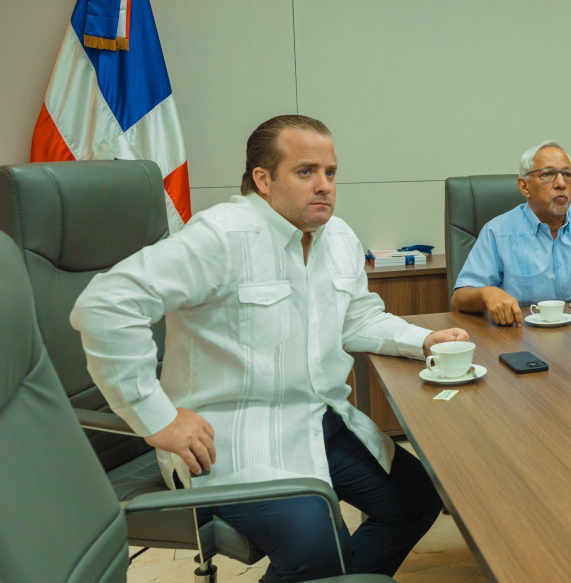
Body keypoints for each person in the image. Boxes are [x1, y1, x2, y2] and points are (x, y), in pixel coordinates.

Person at [72, 115, 465, 581]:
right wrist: (157, 417)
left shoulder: (338, 237)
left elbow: (358, 318)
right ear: (263, 179)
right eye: (306, 172)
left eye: (330, 173)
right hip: (228, 440)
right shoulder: (220, 236)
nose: (324, 186)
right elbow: (104, 306)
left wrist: (425, 340)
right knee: (321, 547)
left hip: (319, 419)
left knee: (417, 499)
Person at [451, 140, 571, 324]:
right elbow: (459, 299)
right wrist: (486, 293)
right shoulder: (497, 232)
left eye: (567, 175)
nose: (561, 183)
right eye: (548, 174)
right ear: (524, 186)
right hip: (520, 338)